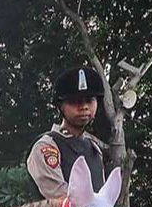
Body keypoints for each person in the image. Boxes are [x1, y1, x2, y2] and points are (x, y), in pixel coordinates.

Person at [27, 64, 107, 199]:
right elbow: (62, 198)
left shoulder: (94, 148)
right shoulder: (47, 146)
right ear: (60, 106)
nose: (84, 107)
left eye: (89, 100)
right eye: (75, 101)